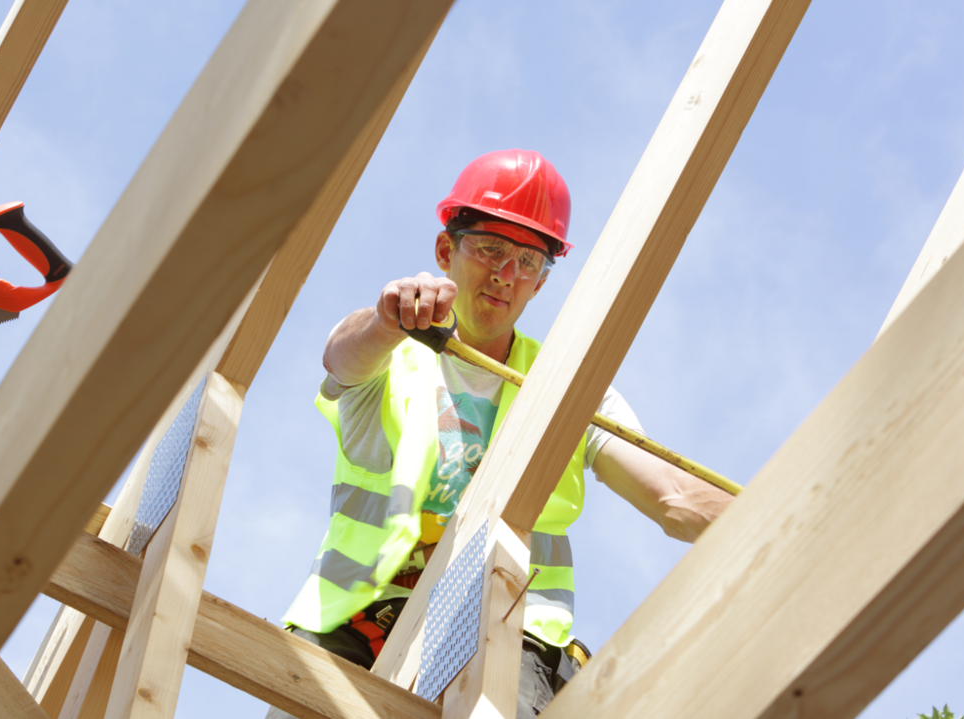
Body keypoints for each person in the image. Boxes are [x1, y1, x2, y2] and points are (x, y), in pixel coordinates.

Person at [268, 149, 732, 718]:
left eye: (529, 262)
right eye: (490, 249)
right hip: (361, 616)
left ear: (540, 283)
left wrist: (803, 510)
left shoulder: (570, 386)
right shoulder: (395, 354)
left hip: (508, 625)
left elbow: (676, 497)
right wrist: (387, 318)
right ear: (446, 251)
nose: (506, 274)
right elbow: (343, 354)